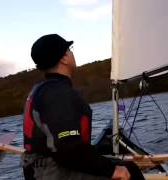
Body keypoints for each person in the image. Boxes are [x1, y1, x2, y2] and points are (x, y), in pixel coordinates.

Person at [22, 34, 145, 180]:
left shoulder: (43, 90)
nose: (72, 52)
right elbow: (68, 150)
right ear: (64, 58)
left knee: (125, 166)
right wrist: (112, 170)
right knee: (130, 172)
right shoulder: (58, 94)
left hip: (40, 168)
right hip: (52, 172)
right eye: (70, 49)